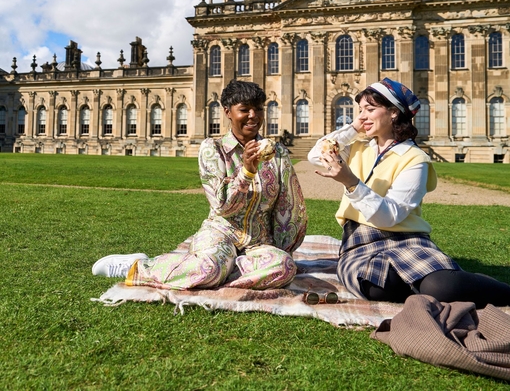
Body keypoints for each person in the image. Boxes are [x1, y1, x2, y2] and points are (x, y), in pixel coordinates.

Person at [308, 77, 510, 308]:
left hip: (407, 240)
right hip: (359, 244)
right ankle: (440, 282)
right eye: (360, 109)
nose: (361, 116)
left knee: (441, 288)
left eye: (370, 109)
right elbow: (315, 155)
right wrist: (354, 128)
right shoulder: (357, 146)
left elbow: (389, 216)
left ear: (394, 113)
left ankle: (486, 288)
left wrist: (352, 183)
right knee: (377, 286)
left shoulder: (415, 159)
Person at [93, 79, 307, 290]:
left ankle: (214, 271)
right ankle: (140, 267)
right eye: (245, 109)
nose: (254, 116)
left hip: (259, 243)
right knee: (209, 268)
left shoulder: (277, 153)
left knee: (284, 266)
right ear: (227, 112)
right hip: (220, 233)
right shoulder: (212, 149)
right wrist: (247, 171)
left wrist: (282, 250)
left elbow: (289, 206)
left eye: (258, 109)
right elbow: (222, 206)